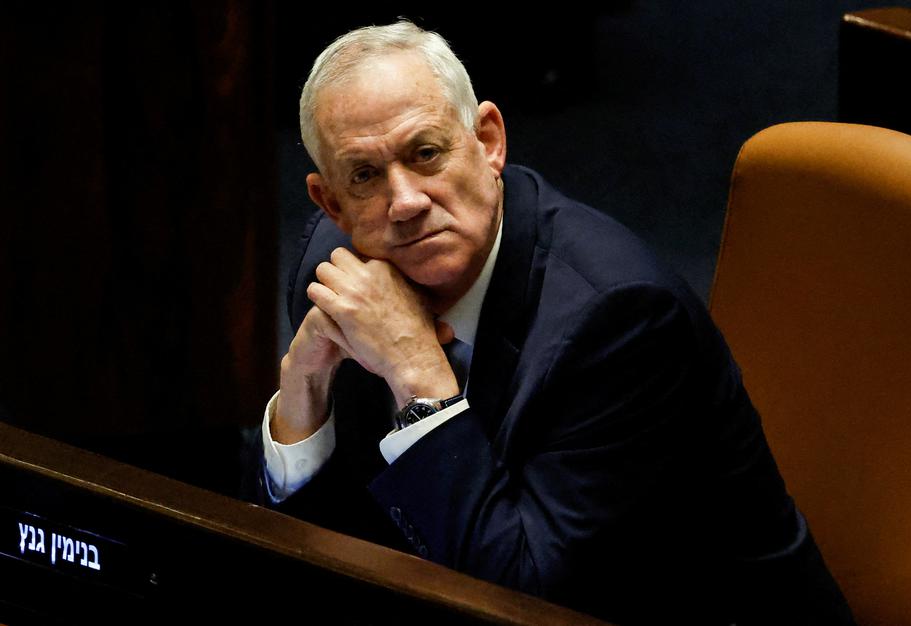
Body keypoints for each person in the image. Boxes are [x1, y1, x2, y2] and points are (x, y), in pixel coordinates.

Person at [247, 20, 854, 624]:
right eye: (364, 176)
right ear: (330, 203)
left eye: (425, 153)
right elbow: (330, 548)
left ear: (487, 142)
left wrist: (419, 377)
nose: (404, 202)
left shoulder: (619, 319)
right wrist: (302, 393)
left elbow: (528, 596)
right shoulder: (338, 274)